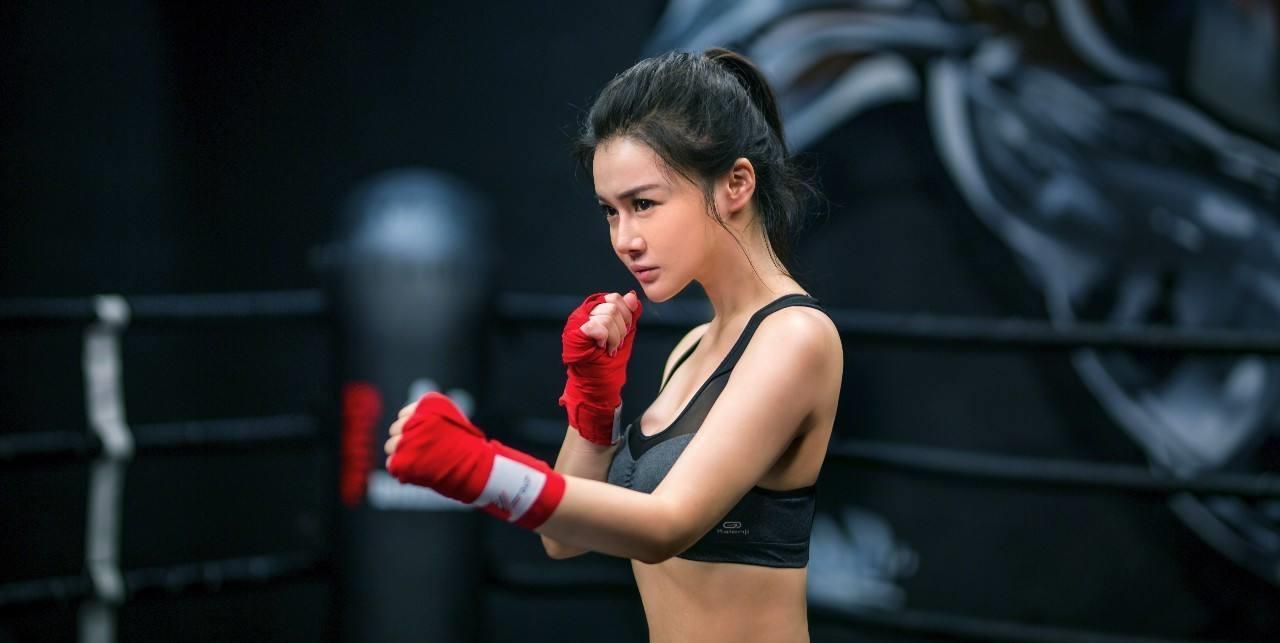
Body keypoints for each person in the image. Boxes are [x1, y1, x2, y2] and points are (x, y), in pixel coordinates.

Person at [384, 47, 842, 643]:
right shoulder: (692, 347)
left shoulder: (796, 337)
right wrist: (593, 403)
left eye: (643, 204)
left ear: (735, 183)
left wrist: (480, 469)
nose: (625, 239)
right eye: (610, 211)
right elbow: (563, 541)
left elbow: (665, 526)